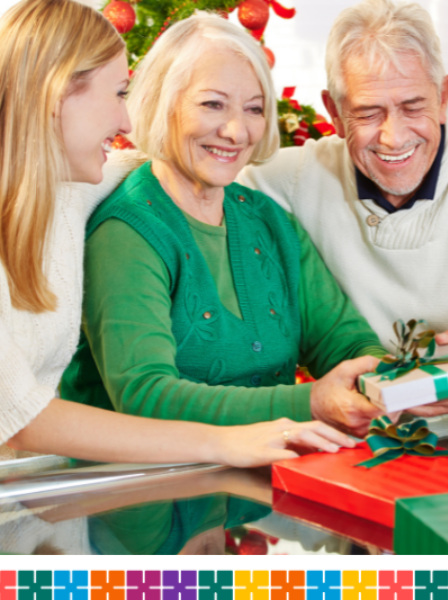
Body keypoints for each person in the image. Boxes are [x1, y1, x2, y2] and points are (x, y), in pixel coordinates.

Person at [0, 0, 353, 474]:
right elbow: (17, 418)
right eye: (119, 94)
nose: (127, 122)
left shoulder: (69, 186)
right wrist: (225, 441)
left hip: (42, 501)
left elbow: (171, 164)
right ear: (56, 96)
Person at [60, 13, 420, 439]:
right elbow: (145, 395)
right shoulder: (127, 233)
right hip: (143, 477)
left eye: (254, 109)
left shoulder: (270, 221)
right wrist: (309, 402)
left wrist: (396, 383)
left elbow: (345, 342)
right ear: (161, 103)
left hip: (266, 468)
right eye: (212, 104)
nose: (236, 131)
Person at [238, 0, 448, 355]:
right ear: (334, 112)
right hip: (357, 388)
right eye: (368, 114)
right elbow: (217, 193)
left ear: (442, 97)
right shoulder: (288, 180)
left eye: (412, 108)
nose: (393, 138)